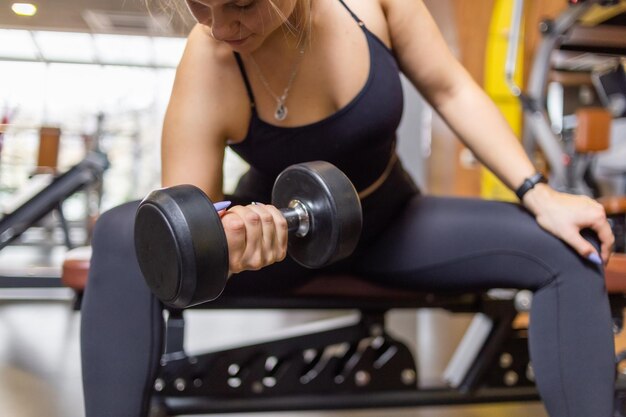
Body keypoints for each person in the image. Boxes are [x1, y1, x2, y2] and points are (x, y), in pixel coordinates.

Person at [80, 1, 617, 416]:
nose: (221, 26)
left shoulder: (372, 6)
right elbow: (186, 226)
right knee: (123, 235)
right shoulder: (210, 57)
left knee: (569, 248)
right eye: (201, 5)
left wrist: (539, 193)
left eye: (241, 4)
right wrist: (230, 241)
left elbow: (451, 89)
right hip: (280, 246)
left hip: (391, 225)